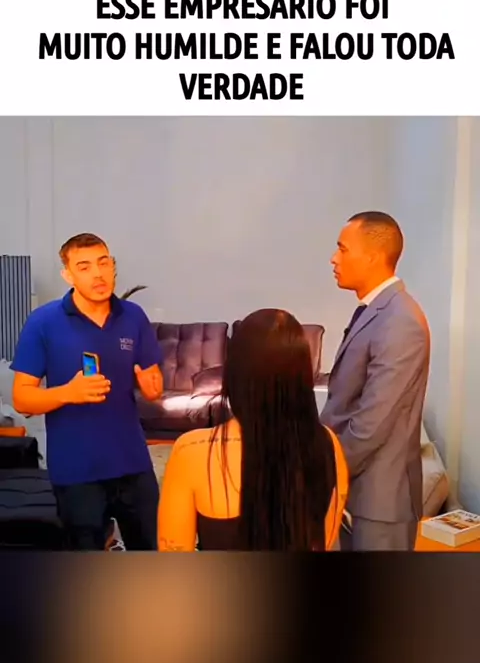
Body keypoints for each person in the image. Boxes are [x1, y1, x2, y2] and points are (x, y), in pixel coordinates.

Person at [10, 232, 164, 550]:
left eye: (103, 263)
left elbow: (153, 381)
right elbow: (22, 399)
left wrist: (153, 388)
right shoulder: (43, 322)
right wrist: (68, 392)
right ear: (68, 275)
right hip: (76, 470)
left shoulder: (133, 316)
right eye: (84, 266)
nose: (98, 274)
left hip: (133, 463)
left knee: (150, 555)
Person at [157, 308, 349, 552]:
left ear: (234, 372)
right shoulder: (329, 444)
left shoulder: (191, 452)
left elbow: (175, 555)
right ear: (303, 375)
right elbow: (325, 540)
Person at [320, 211, 430, 551]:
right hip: (358, 492)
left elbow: (372, 422)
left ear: (372, 256)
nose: (334, 258)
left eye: (342, 249)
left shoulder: (400, 320)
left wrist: (326, 471)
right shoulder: (373, 310)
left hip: (380, 502)